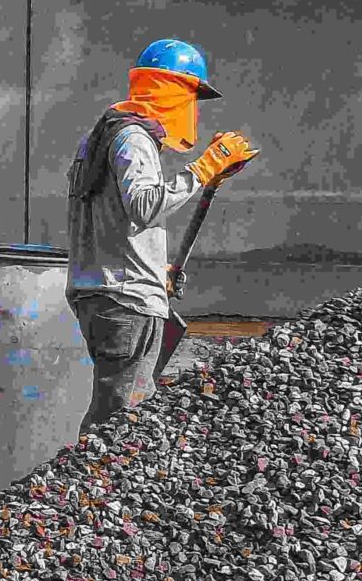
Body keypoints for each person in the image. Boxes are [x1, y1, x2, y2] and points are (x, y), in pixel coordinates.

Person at [65, 39, 256, 432]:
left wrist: (155, 268)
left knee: (116, 406)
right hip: (127, 300)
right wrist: (204, 168)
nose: (193, 110)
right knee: (121, 419)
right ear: (174, 91)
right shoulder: (133, 139)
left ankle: (91, 466)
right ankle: (92, 470)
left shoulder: (100, 137)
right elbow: (145, 206)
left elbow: (109, 219)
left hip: (102, 291)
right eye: (192, 97)